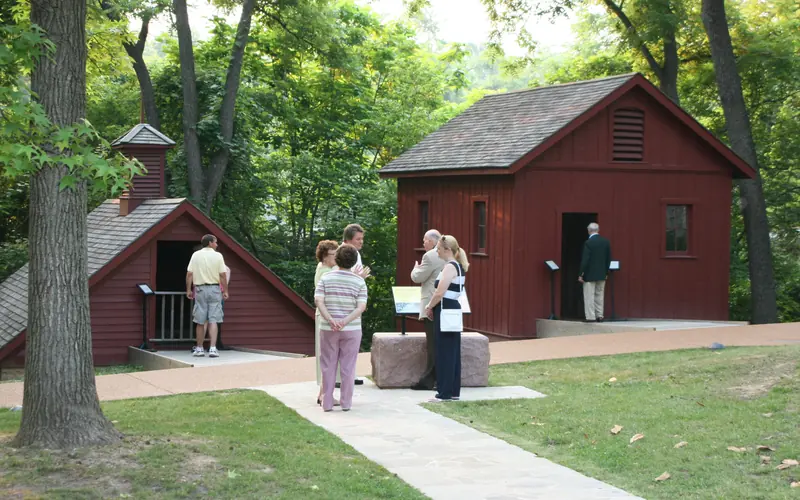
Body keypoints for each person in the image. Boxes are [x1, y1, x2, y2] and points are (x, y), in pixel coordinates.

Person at [315, 244, 368, 412]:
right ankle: (346, 403)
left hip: (328, 328)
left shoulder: (326, 278)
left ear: (336, 258)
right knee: (348, 366)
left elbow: (319, 301)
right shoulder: (359, 281)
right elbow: (361, 307)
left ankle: (327, 402)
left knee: (328, 364)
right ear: (353, 262)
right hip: (351, 328)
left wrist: (330, 319)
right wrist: (345, 321)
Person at [424, 235, 469, 402]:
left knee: (444, 352)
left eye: (439, 249)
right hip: (451, 310)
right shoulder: (458, 266)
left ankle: (444, 393)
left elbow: (440, 292)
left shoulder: (450, 267)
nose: (437, 252)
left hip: (445, 309)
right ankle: (452, 390)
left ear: (447, 249)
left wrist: (429, 306)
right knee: (452, 351)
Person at [410, 229, 445, 391]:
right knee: (443, 343)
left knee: (433, 344)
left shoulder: (430, 256)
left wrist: (415, 268)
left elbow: (418, 277)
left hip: (432, 304)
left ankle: (429, 380)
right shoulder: (450, 255)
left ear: (432, 242)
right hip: (447, 304)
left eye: (425, 240)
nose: (423, 243)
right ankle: (438, 379)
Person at [186, 234, 229, 358]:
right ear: (210, 243)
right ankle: (213, 349)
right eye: (215, 242)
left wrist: (189, 290)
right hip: (215, 289)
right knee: (213, 319)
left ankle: (199, 348)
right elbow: (222, 275)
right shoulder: (218, 256)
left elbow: (189, 274)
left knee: (200, 320)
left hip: (199, 289)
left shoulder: (196, 255)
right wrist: (225, 290)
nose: (217, 244)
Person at [314, 239, 340, 406]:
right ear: (324, 256)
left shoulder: (324, 268)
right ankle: (326, 395)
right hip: (326, 317)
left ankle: (323, 392)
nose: (336, 258)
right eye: (333, 254)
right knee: (329, 357)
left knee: (328, 356)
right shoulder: (325, 272)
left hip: (325, 317)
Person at [578, 222, 612, 322]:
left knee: (589, 295)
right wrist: (606, 272)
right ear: (598, 230)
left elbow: (585, 260)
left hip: (589, 274)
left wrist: (581, 274)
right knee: (599, 295)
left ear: (589, 230)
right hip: (602, 274)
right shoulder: (606, 242)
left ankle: (590, 317)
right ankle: (599, 315)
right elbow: (608, 259)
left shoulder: (588, 243)